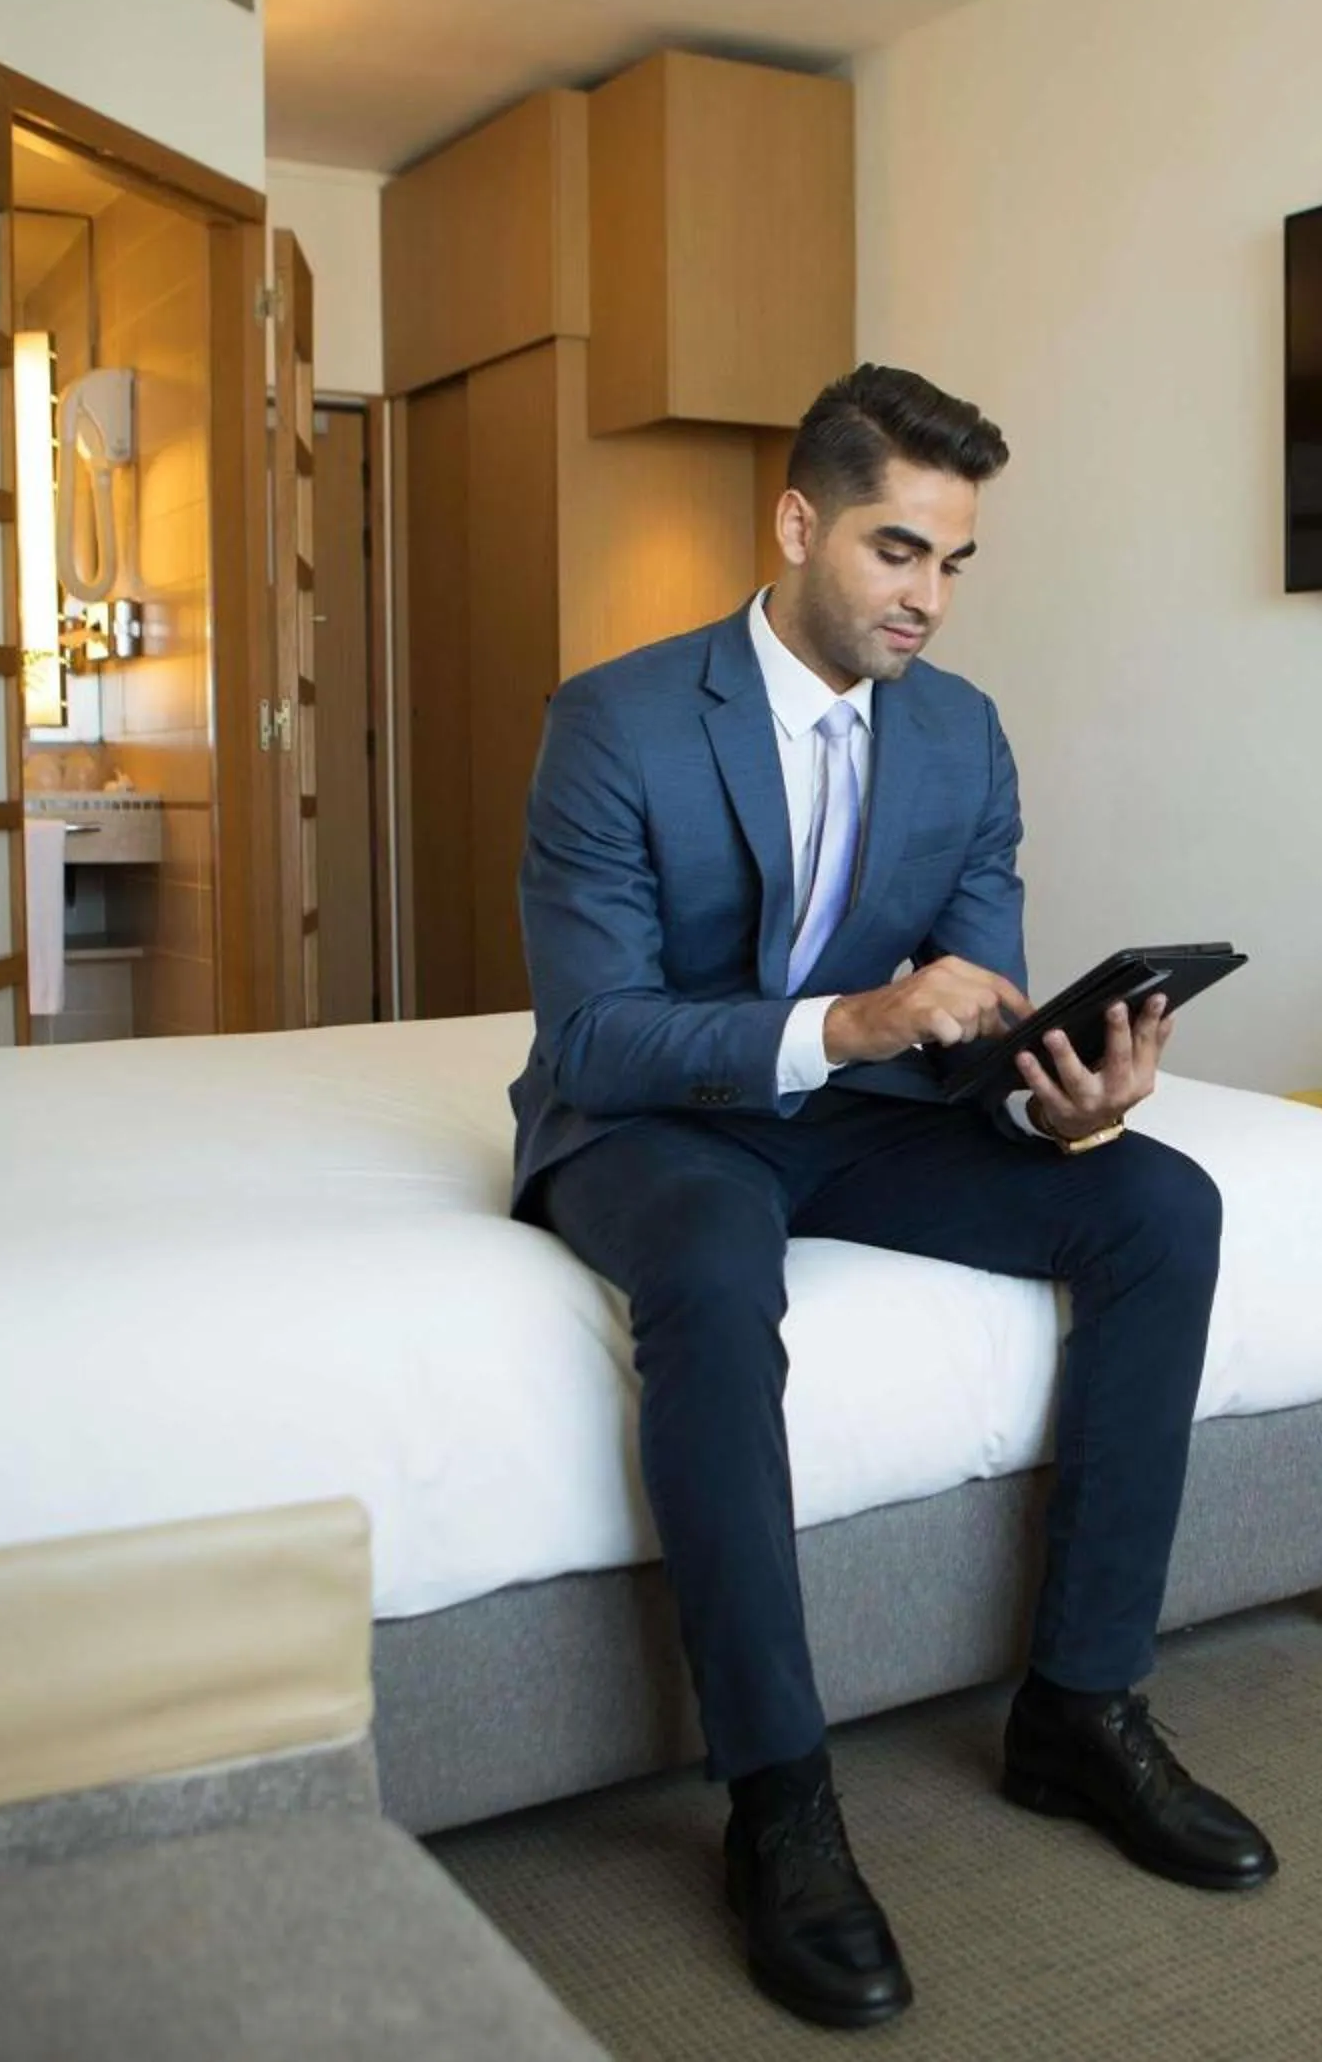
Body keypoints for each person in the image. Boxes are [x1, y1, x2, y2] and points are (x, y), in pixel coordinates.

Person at [508, 365, 1275, 2030]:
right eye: (896, 551)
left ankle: (1080, 1706)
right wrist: (839, 1022)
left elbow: (980, 999)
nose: (927, 598)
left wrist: (1063, 1087)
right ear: (795, 522)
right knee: (715, 1262)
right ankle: (779, 1797)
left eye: (954, 563)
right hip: (661, 1115)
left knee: (1163, 1206)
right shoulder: (618, 717)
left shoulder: (965, 733)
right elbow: (593, 1026)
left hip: (868, 1115)